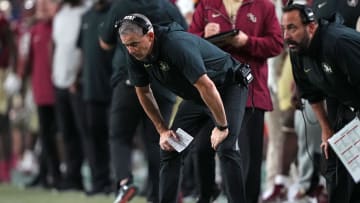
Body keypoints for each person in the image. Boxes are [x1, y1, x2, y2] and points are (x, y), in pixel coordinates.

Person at [118, 13, 249, 203]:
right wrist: (163, 130)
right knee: (171, 148)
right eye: (126, 45)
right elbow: (144, 92)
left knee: (226, 146)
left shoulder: (175, 45)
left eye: (134, 44)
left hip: (226, 88)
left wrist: (222, 127)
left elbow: (207, 86)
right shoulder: (134, 53)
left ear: (151, 36)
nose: (130, 50)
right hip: (197, 98)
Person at [189, 0, 283, 202]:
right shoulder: (206, 4)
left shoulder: (264, 6)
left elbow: (277, 44)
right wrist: (204, 37)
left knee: (248, 157)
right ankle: (206, 194)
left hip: (251, 90)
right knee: (202, 148)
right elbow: (187, 43)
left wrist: (248, 42)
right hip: (213, 91)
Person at [98, 1, 187, 202]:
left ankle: (124, 182)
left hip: (129, 79)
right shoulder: (168, 7)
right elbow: (185, 36)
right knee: (158, 139)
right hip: (164, 81)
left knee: (119, 136)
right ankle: (158, 194)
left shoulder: (121, 6)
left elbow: (105, 43)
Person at [281, 2, 360, 203]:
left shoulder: (338, 42)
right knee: (334, 161)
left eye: (292, 28)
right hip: (342, 100)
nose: (286, 36)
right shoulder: (296, 49)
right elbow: (312, 94)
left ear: (312, 27)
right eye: (284, 29)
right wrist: (326, 130)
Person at [76, 0, 112, 195]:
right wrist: (77, 76)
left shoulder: (116, 13)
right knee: (94, 136)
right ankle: (100, 181)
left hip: (113, 87)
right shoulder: (86, 17)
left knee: (115, 137)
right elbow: (82, 51)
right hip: (90, 88)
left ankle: (118, 182)